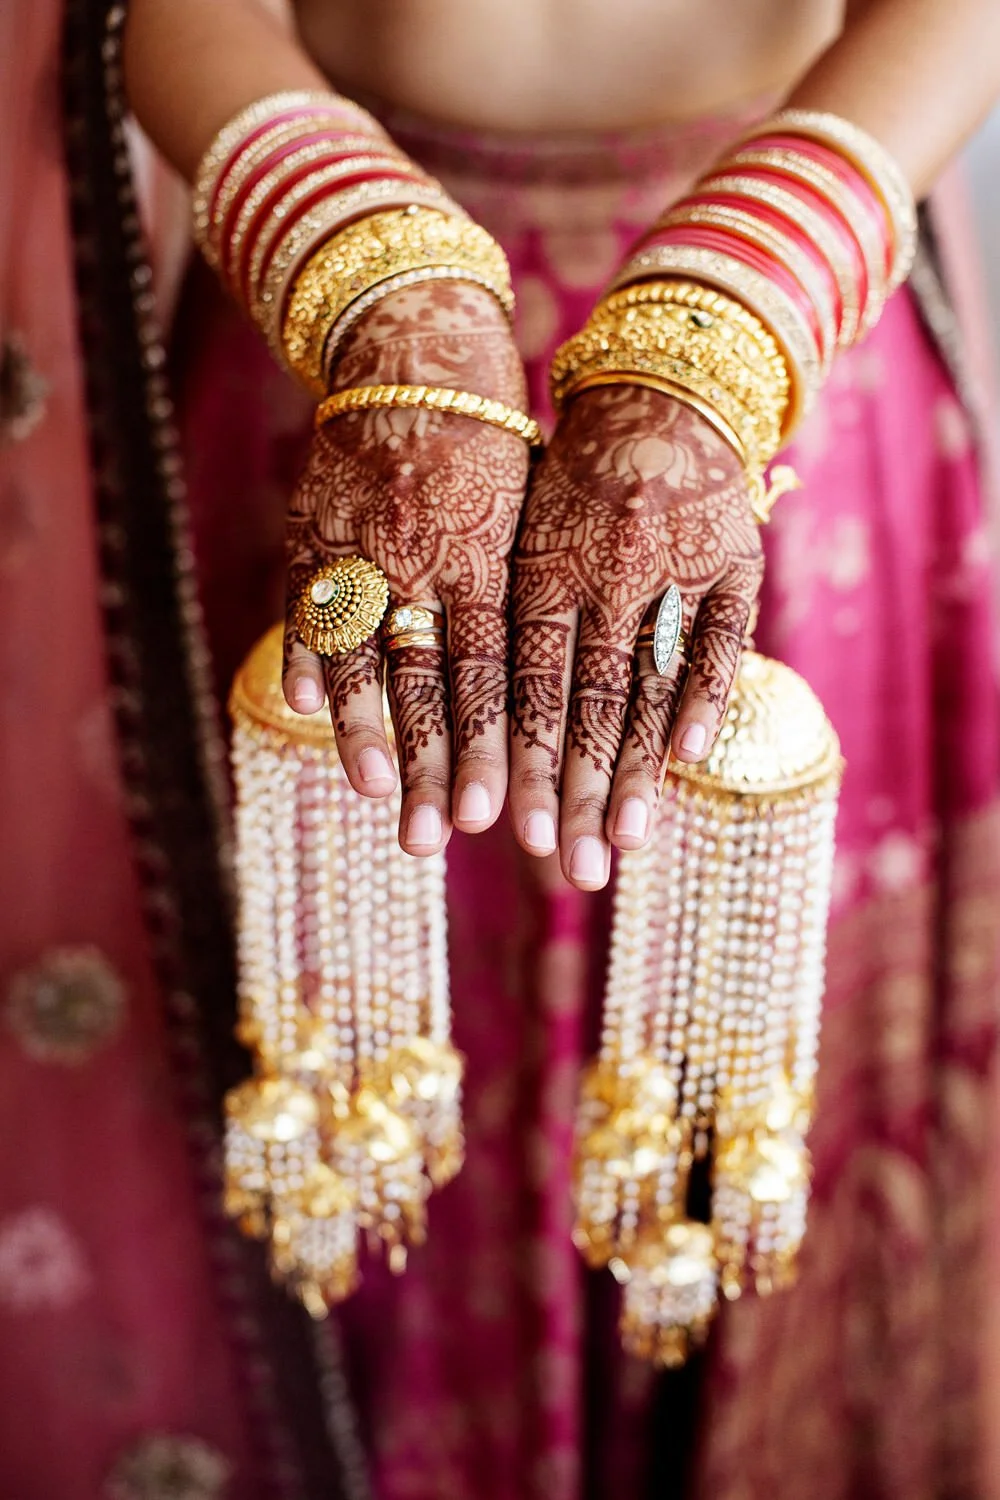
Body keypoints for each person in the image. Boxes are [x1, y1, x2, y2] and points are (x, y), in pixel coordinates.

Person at [2, 0, 999, 1494]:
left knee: (745, 1127)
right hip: (339, 377)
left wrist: (733, 313)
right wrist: (383, 292)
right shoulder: (364, 336)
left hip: (776, 389)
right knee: (318, 1112)